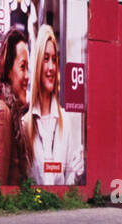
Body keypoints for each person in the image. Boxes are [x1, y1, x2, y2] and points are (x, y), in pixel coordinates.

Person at [24, 25, 84, 186]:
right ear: (37, 64)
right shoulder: (25, 125)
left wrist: (76, 174)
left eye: (54, 59)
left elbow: (68, 183)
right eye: (45, 59)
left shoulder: (65, 120)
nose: (51, 67)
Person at [0, 26, 31, 185]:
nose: (27, 76)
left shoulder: (11, 114)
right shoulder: (3, 114)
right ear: (8, 70)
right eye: (23, 67)